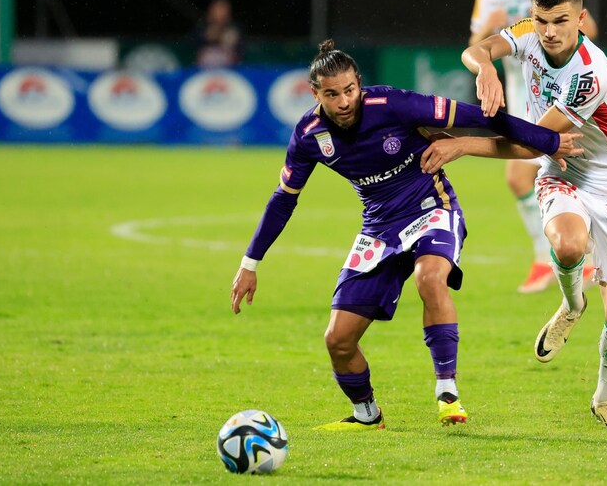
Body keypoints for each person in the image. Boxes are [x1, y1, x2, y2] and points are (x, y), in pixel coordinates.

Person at [230, 39, 582, 431]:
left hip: (432, 208)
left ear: (359, 84)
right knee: (338, 340)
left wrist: (547, 141)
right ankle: (367, 415)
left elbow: (481, 116)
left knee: (429, 278)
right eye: (332, 95)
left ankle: (447, 392)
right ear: (316, 94)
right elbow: (284, 200)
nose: (345, 101)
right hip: (378, 229)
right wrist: (250, 264)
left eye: (350, 90)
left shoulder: (393, 104)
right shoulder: (309, 136)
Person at [424, 0, 607, 430]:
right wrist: (484, 64)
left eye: (561, 21)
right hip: (562, 170)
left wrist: (462, 142)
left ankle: (605, 398)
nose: (549, 31)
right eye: (541, 20)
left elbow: (530, 143)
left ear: (581, 18)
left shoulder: (590, 72)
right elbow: (476, 47)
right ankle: (573, 303)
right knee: (566, 245)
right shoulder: (528, 33)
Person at [470, 0, 598, 294]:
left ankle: (559, 255)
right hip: (519, 93)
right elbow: (474, 47)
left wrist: (550, 25)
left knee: (524, 172)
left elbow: (590, 30)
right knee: (533, 173)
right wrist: (489, 31)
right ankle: (580, 252)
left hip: (552, 93)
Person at [193, 0, 242, 67]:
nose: (221, 13)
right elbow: (193, 46)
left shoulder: (235, 28)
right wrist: (206, 36)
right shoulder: (202, 27)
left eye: (223, 9)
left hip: (229, 69)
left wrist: (227, 38)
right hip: (205, 69)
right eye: (218, 9)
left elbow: (240, 49)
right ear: (211, 10)